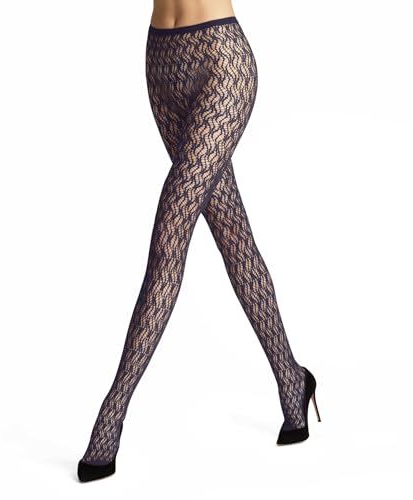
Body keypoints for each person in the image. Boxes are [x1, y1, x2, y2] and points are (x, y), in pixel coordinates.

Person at [77, 0, 321, 483]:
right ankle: (292, 381)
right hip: (161, 61)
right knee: (234, 237)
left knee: (170, 233)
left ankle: (110, 416)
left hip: (221, 64)